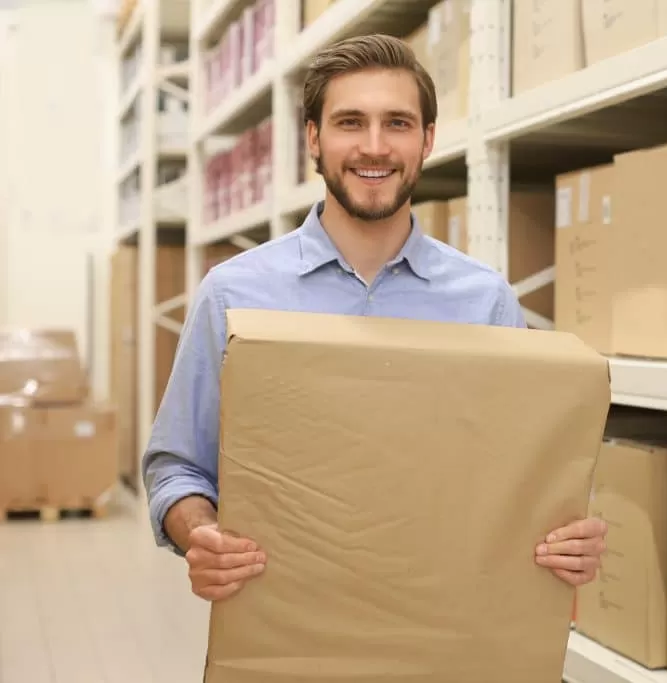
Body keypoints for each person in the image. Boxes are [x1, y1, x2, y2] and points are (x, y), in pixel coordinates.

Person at [142, 34, 608, 603]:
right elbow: (177, 467)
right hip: (285, 623)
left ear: (428, 139)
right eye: (349, 122)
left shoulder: (484, 303)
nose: (374, 146)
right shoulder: (234, 295)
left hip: (443, 624)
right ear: (313, 138)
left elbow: (529, 481)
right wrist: (201, 536)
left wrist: (569, 539)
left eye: (397, 123)